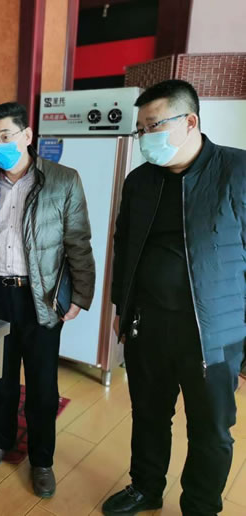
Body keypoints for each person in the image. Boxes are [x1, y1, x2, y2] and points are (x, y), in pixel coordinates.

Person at [103, 80, 246, 516]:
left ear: (190, 121)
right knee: (148, 415)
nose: (145, 137)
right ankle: (146, 488)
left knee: (211, 431)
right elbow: (124, 245)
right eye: (140, 129)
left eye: (153, 125)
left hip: (213, 334)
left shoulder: (237, 171)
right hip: (148, 324)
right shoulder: (140, 181)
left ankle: (200, 507)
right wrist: (121, 307)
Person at [0, 102, 95, 498]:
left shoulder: (63, 180)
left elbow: (78, 242)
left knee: (42, 386)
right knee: (0, 378)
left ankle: (42, 460)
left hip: (42, 296)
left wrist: (81, 294)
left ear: (27, 135)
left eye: (6, 136)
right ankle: (0, 440)